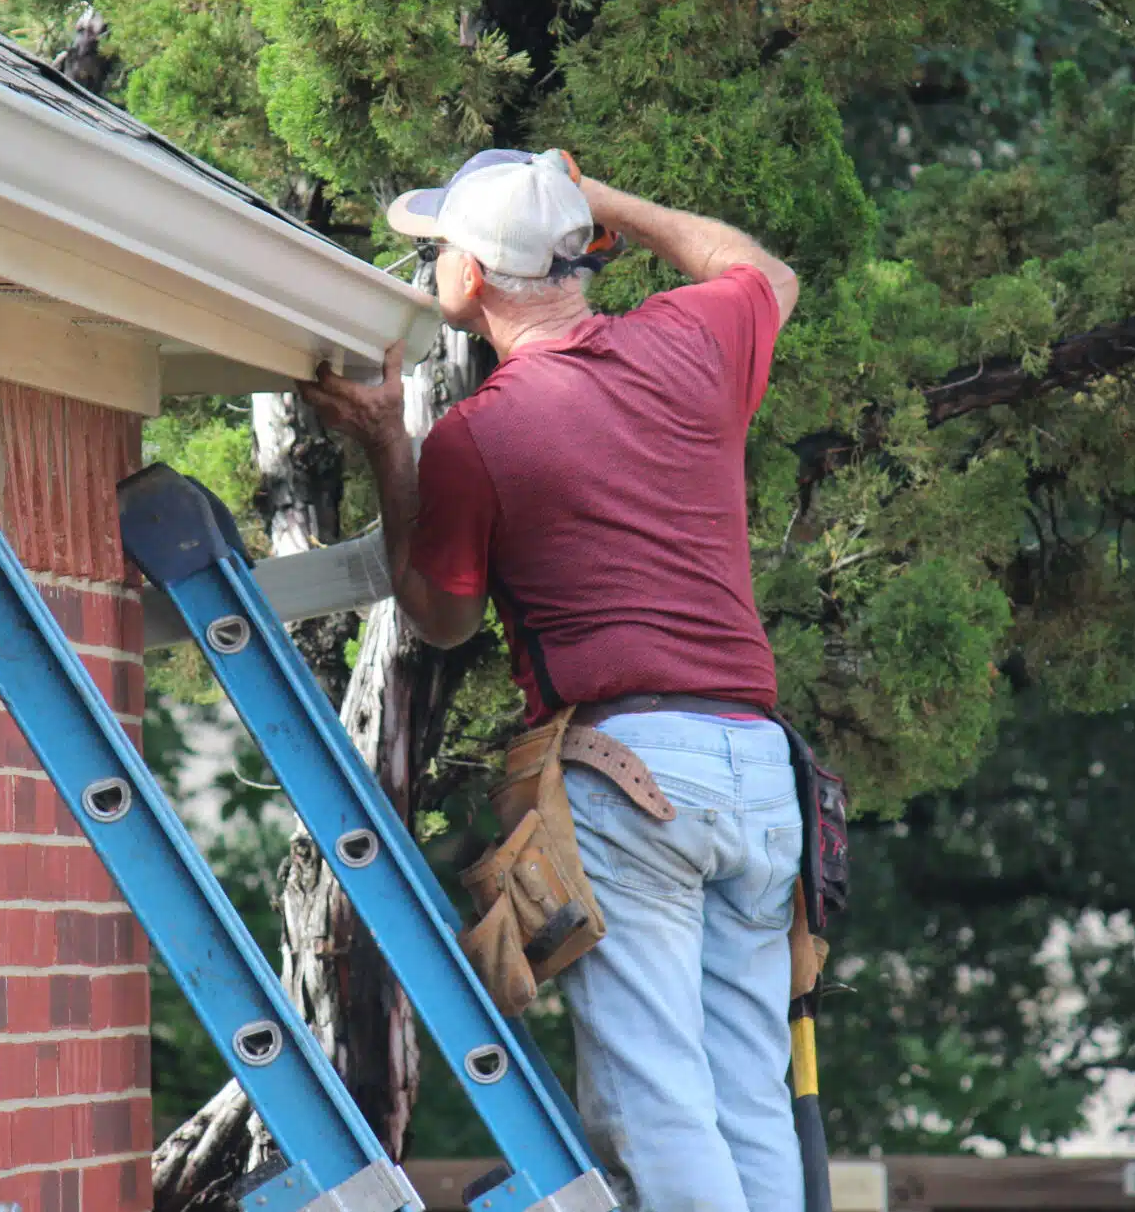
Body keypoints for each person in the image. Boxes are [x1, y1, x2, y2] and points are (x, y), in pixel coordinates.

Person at [298, 148, 805, 1212]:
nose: (431, 263)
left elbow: (436, 619)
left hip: (633, 779)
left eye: (437, 248)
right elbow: (760, 270)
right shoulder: (690, 341)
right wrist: (598, 198)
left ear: (470, 279)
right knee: (747, 1092)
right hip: (759, 770)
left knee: (653, 1102)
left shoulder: (481, 436)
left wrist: (392, 447)